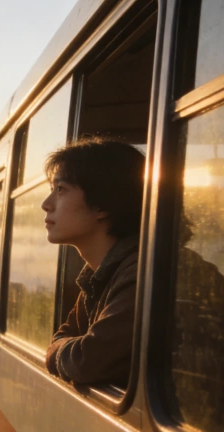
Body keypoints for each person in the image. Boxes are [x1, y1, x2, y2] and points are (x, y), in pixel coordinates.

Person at [41, 137, 144, 387]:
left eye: (61, 190)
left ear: (102, 205)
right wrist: (65, 347)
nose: (46, 204)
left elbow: (88, 360)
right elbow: (65, 335)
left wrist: (58, 352)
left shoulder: (143, 275)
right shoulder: (102, 272)